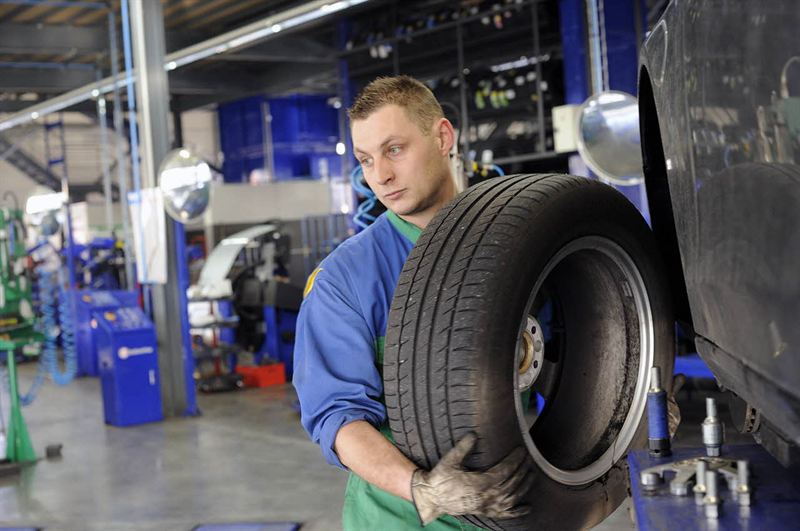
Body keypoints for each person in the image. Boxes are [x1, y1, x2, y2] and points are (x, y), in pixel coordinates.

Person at [293, 75, 530, 530]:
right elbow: (338, 419)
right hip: (403, 519)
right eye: (366, 159)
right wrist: (423, 489)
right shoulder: (344, 279)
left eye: (394, 150)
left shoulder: (515, 243)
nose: (380, 175)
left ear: (442, 137)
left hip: (513, 506)